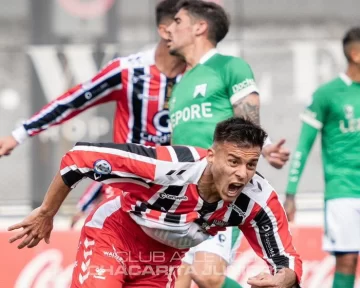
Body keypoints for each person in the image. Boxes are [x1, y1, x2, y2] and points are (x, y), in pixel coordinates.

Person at [8, 117, 302, 288]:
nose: (242, 173)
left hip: (165, 259)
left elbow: (286, 258)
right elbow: (79, 158)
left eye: (250, 165)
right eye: (233, 161)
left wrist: (284, 279)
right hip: (115, 238)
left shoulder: (258, 199)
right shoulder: (168, 166)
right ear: (212, 156)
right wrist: (47, 212)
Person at [0, 0, 185, 225]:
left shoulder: (204, 75)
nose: (203, 39)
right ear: (167, 31)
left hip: (179, 198)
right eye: (194, 28)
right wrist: (20, 134)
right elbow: (72, 101)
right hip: (127, 192)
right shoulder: (129, 70)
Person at [165, 1, 290, 287]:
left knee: (208, 276)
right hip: (183, 195)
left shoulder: (230, 66)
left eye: (177, 21)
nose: (169, 29)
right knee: (176, 280)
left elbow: (249, 124)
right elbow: (177, 142)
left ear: (199, 27)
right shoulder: (180, 84)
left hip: (221, 192)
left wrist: (266, 147)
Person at [283, 27, 360, 288]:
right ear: (356, 54)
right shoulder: (327, 94)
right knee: (347, 259)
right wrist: (291, 193)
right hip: (344, 191)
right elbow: (303, 146)